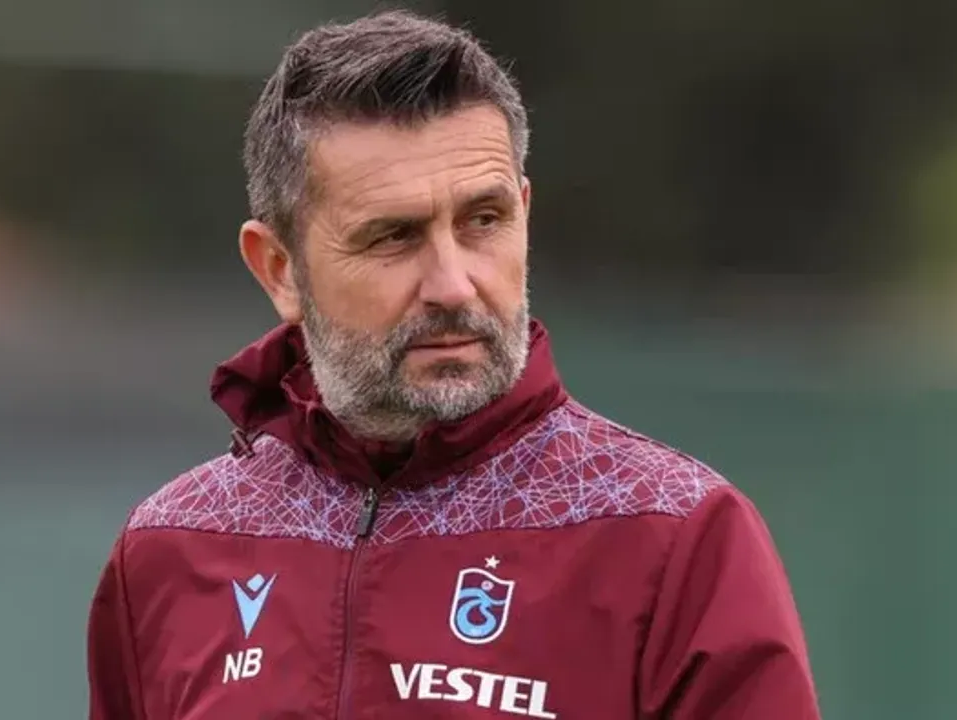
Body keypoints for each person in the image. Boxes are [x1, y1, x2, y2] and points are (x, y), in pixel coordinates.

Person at [86, 9, 820, 719]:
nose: (453, 285)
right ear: (280, 269)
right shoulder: (171, 548)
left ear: (524, 213)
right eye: (393, 237)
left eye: (484, 220)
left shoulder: (673, 536)